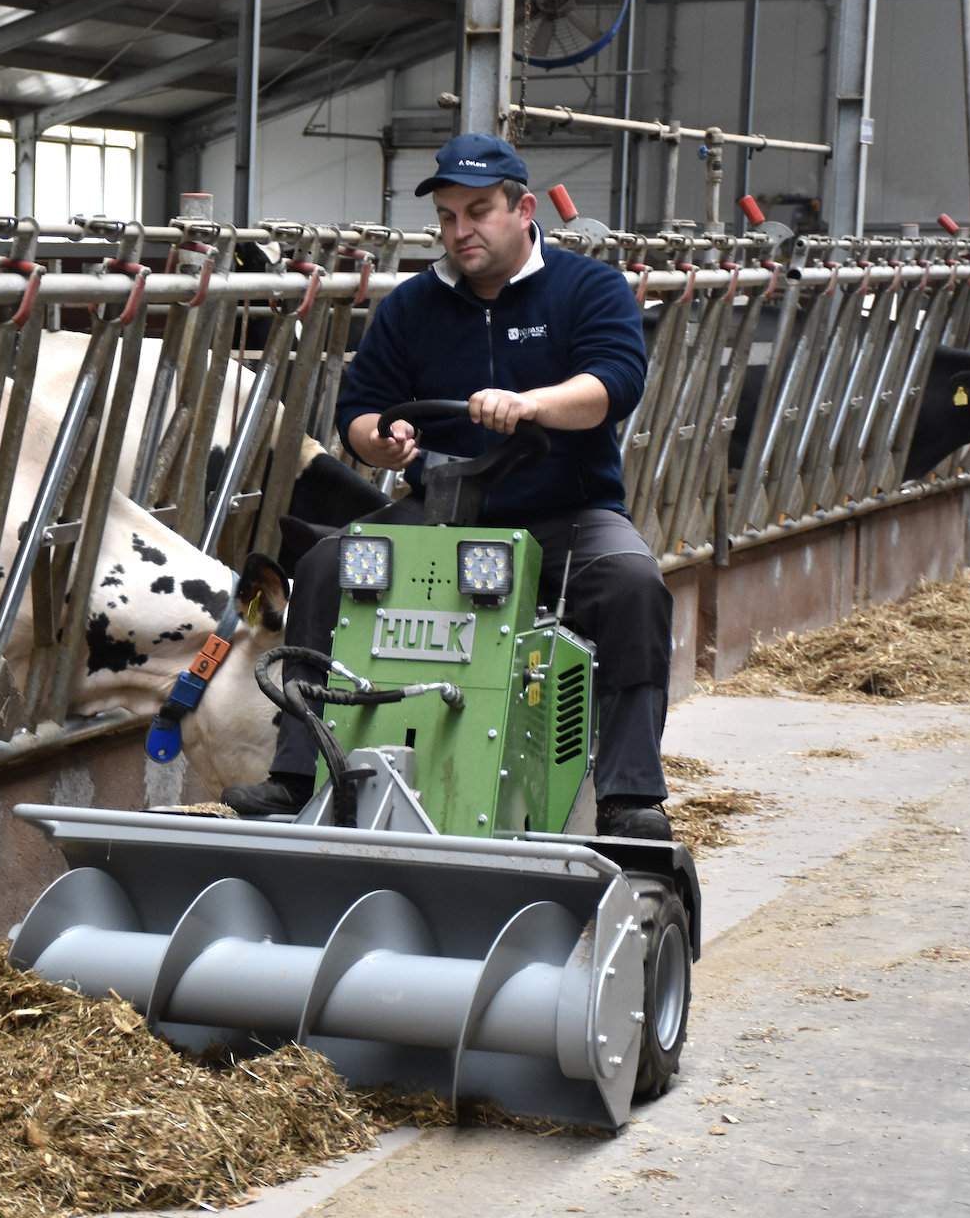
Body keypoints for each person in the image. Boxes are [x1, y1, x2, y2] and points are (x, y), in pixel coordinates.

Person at [220, 133, 675, 841]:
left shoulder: (588, 287)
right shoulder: (414, 306)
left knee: (632, 586)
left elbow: (611, 384)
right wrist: (382, 437)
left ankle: (628, 795)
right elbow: (361, 410)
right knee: (323, 567)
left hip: (565, 512)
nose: (461, 231)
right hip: (442, 511)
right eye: (449, 217)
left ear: (524, 208)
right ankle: (297, 775)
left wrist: (530, 405)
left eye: (479, 210)